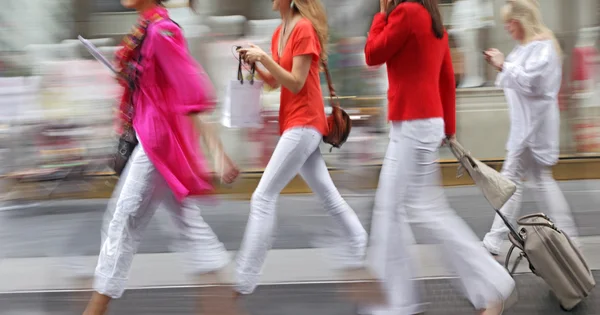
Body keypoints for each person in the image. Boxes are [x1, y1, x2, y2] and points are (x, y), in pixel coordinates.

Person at [82, 0, 240, 314]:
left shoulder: (163, 31)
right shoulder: (145, 30)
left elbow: (191, 91)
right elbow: (156, 87)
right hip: (149, 134)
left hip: (158, 143)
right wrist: (131, 79)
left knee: (123, 221)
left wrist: (218, 153)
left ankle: (94, 310)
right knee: (186, 226)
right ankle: (226, 298)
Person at [362, 0, 516, 314]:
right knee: (389, 208)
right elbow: (446, 78)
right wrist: (448, 128)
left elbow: (372, 54)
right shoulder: (434, 20)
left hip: (414, 124)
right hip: (416, 124)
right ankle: (393, 301)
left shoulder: (405, 13)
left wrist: (380, 12)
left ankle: (494, 284)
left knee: (424, 210)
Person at [235, 0, 368, 296]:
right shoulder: (279, 31)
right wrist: (254, 61)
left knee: (262, 198)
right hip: (295, 123)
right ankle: (359, 240)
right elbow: (274, 83)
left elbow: (296, 84)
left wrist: (264, 58)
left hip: (305, 123)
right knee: (328, 196)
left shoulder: (304, 29)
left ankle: (244, 278)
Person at [482, 0, 579, 255]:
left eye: (509, 23)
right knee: (539, 181)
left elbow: (533, 84)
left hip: (532, 130)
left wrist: (503, 65)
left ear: (520, 21)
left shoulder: (543, 48)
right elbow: (513, 80)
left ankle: (493, 240)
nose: (507, 29)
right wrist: (503, 66)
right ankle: (570, 238)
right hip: (529, 128)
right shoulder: (529, 47)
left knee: (511, 181)